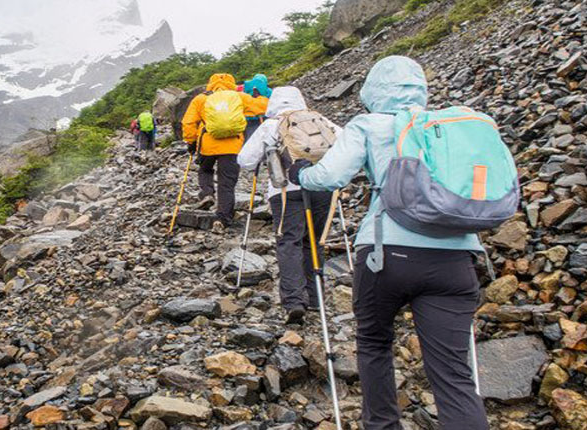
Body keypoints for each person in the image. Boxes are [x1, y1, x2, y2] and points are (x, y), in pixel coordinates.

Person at [288, 56, 489, 430]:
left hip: (387, 252)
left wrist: (301, 173)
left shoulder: (370, 124)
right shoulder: (450, 124)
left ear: (373, 90)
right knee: (453, 373)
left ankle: (382, 424)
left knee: (375, 343)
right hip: (456, 256)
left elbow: (331, 176)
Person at [237, 86, 340, 324]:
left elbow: (244, 160)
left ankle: (294, 301)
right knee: (314, 240)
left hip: (285, 190)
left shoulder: (271, 125)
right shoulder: (319, 119)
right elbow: (344, 143)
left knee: (289, 242)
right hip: (322, 188)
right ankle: (315, 297)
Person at [182, 73, 268, 230]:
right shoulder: (239, 96)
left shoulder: (201, 98)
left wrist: (191, 141)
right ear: (232, 83)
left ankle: (207, 193)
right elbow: (262, 107)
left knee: (205, 169)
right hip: (232, 146)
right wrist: (259, 94)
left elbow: (188, 122)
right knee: (226, 183)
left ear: (211, 83)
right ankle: (222, 219)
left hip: (207, 144)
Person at [242, 74, 273, 142]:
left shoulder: (248, 90)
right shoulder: (268, 91)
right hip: (265, 118)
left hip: (250, 120)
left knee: (251, 140)